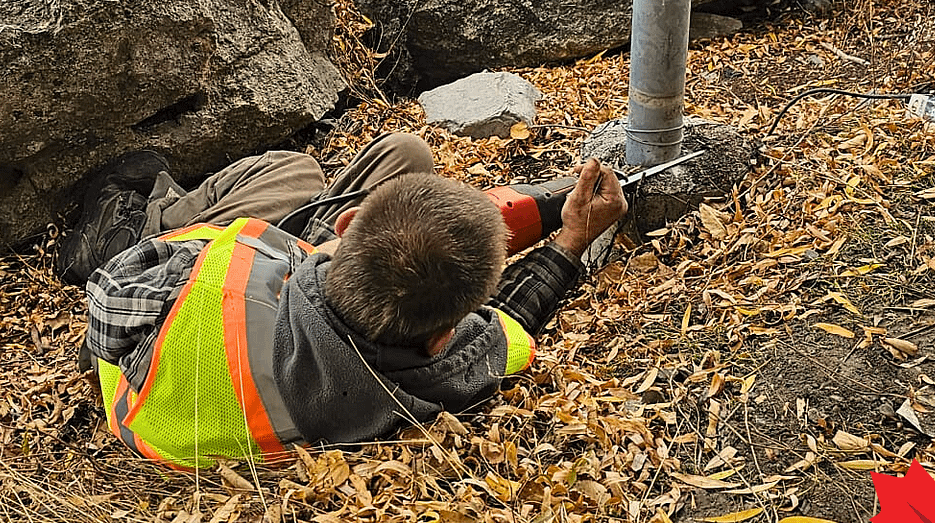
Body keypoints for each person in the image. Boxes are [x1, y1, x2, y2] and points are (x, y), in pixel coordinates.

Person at [60, 134, 627, 469]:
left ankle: (132, 219)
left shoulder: (219, 275)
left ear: (346, 225)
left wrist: (314, 254)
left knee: (294, 169)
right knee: (407, 152)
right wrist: (572, 234)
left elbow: (107, 301)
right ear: (442, 338)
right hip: (293, 301)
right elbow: (509, 322)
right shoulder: (430, 378)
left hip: (195, 348)